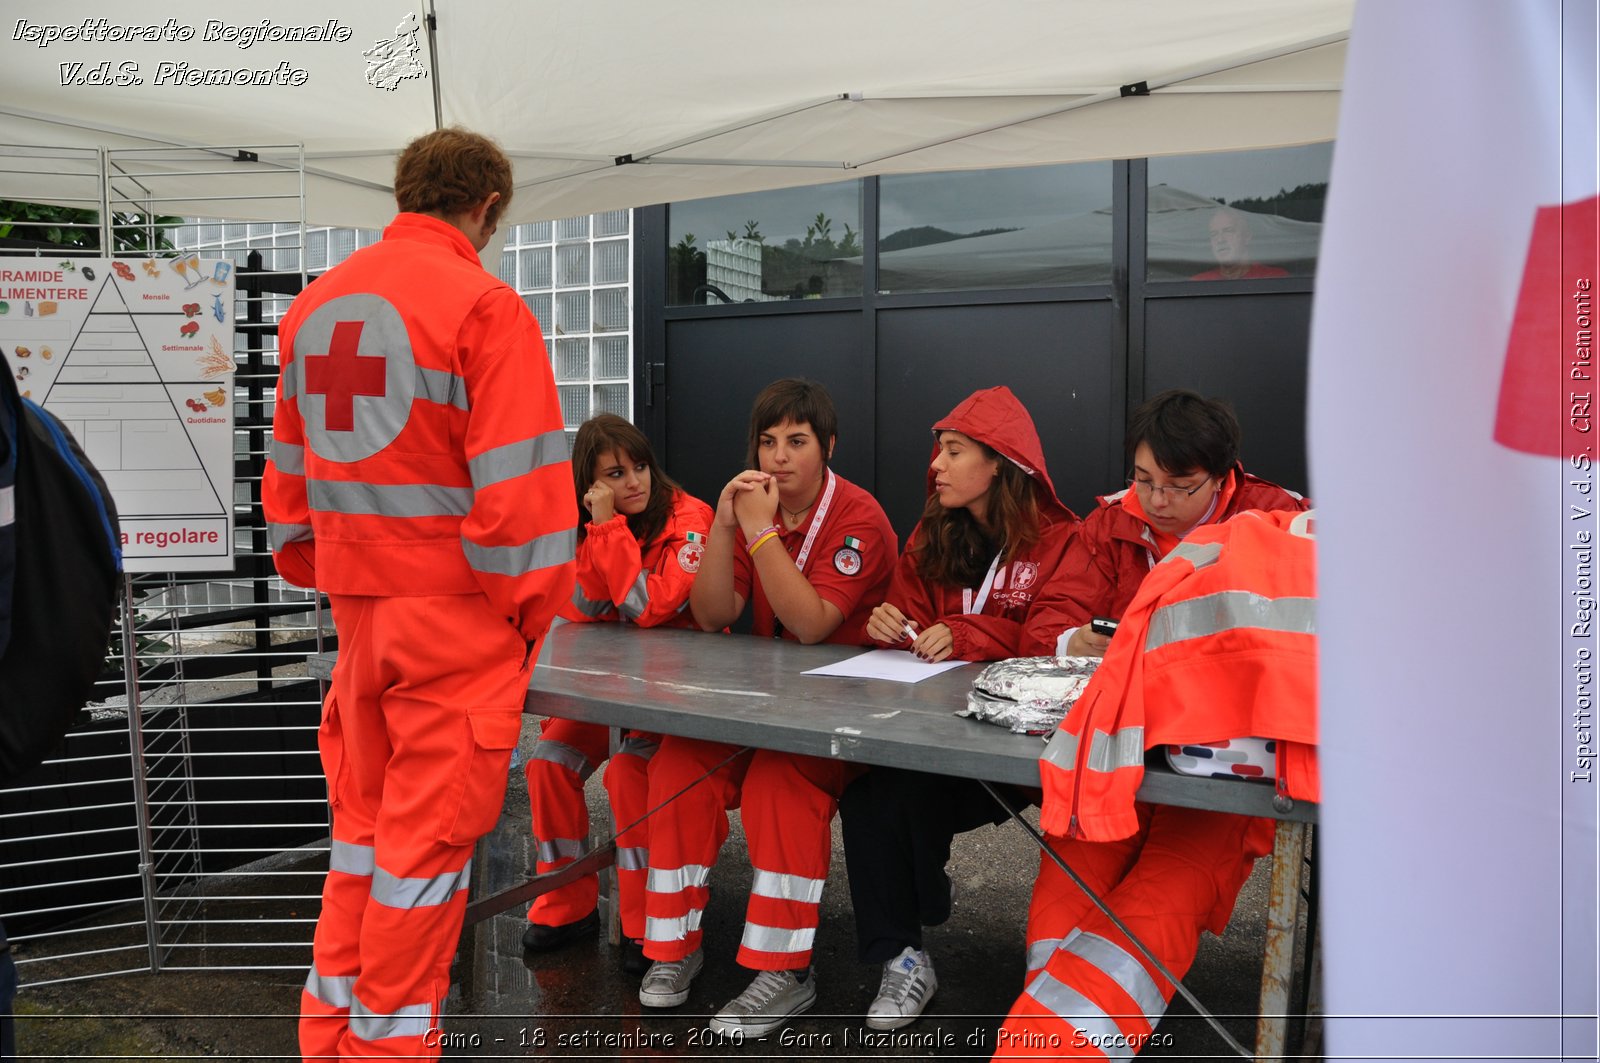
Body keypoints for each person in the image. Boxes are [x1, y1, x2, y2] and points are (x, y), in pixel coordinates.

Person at [262, 128, 576, 1060]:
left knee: (360, 851)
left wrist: (351, 580)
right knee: (421, 867)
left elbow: (286, 503)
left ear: (406, 194)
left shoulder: (311, 312)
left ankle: (329, 1043)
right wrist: (524, 629)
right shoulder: (485, 308)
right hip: (460, 631)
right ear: (485, 209)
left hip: (356, 621)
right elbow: (523, 513)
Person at [995, 388, 1308, 1058]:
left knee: (1164, 897)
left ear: (1224, 479)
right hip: (1113, 758)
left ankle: (1045, 1049)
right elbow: (1045, 626)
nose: (1156, 500)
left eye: (1177, 486)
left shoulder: (1283, 522)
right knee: (1067, 881)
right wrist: (1073, 638)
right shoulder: (1108, 523)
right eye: (1143, 480)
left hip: (1231, 772)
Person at [636, 378, 896, 1036]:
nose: (779, 456)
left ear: (828, 447)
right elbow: (714, 610)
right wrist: (726, 524)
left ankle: (787, 971)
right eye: (768, 441)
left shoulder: (858, 517)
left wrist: (756, 532)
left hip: (842, 718)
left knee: (778, 785)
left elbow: (810, 624)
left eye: (798, 441)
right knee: (675, 765)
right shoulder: (760, 510)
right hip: (762, 706)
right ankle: (673, 946)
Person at [841, 386, 1079, 1031]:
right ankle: (903, 954)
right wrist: (885, 622)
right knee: (871, 800)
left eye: (952, 452)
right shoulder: (931, 531)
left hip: (1015, 749)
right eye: (938, 453)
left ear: (999, 462)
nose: (935, 467)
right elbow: (909, 614)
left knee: (898, 805)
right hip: (932, 733)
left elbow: (1055, 641)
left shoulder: (1062, 539)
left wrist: (972, 633)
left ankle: (919, 893)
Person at [521, 413, 712, 975]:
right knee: (548, 765)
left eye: (639, 466)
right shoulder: (599, 524)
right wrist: (592, 531)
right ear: (592, 483)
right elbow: (582, 610)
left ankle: (643, 920)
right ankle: (566, 902)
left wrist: (606, 533)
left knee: (630, 774)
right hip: (611, 686)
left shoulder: (690, 518)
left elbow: (651, 607)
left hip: (675, 693)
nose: (634, 481)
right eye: (615, 472)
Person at [1190, 206, 1289, 280]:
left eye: (1228, 231)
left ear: (1246, 236)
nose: (1220, 239)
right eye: (1214, 234)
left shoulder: (1273, 278)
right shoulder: (1200, 282)